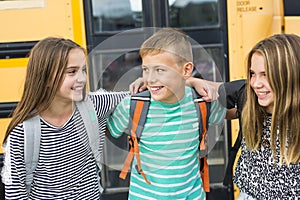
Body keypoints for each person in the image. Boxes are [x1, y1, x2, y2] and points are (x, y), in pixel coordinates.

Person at [1, 37, 128, 199]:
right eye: (72, 71)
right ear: (46, 78)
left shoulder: (93, 106)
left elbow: (137, 97)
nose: (82, 79)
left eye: (83, 70)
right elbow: (15, 194)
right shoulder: (23, 132)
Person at [107, 28, 227, 199]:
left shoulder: (200, 103)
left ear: (186, 70)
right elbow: (109, 129)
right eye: (146, 69)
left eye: (159, 70)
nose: (150, 79)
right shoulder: (132, 105)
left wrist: (194, 82)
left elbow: (236, 106)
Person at [234, 33, 300, 199]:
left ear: (289, 75)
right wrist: (192, 82)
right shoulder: (250, 102)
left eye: (265, 74)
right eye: (252, 73)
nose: (255, 83)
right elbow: (216, 92)